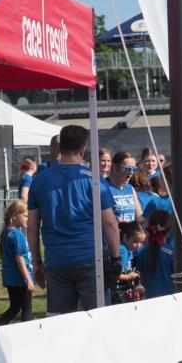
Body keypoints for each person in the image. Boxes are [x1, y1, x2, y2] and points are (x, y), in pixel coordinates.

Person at [27, 124, 120, 314]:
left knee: (59, 323)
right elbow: (110, 222)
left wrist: (36, 262)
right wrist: (116, 257)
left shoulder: (39, 180)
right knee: (99, 319)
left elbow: (31, 226)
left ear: (60, 147)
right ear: (82, 149)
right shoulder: (93, 180)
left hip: (56, 259)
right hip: (90, 258)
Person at [0, 200, 34, 325]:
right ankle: (28, 335)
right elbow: (19, 258)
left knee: (14, 308)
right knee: (26, 309)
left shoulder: (6, 233)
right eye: (25, 216)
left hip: (10, 279)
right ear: (14, 216)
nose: (27, 219)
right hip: (20, 280)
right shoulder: (17, 235)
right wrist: (28, 279)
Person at [132, 209, 175, 299]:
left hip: (149, 303)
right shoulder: (172, 254)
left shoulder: (143, 252)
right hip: (171, 302)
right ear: (169, 230)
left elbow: (142, 279)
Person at [102, 151, 144, 224]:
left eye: (134, 170)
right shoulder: (103, 187)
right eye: (127, 169)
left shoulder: (130, 188)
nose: (131, 173)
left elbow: (139, 217)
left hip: (129, 234)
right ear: (115, 168)